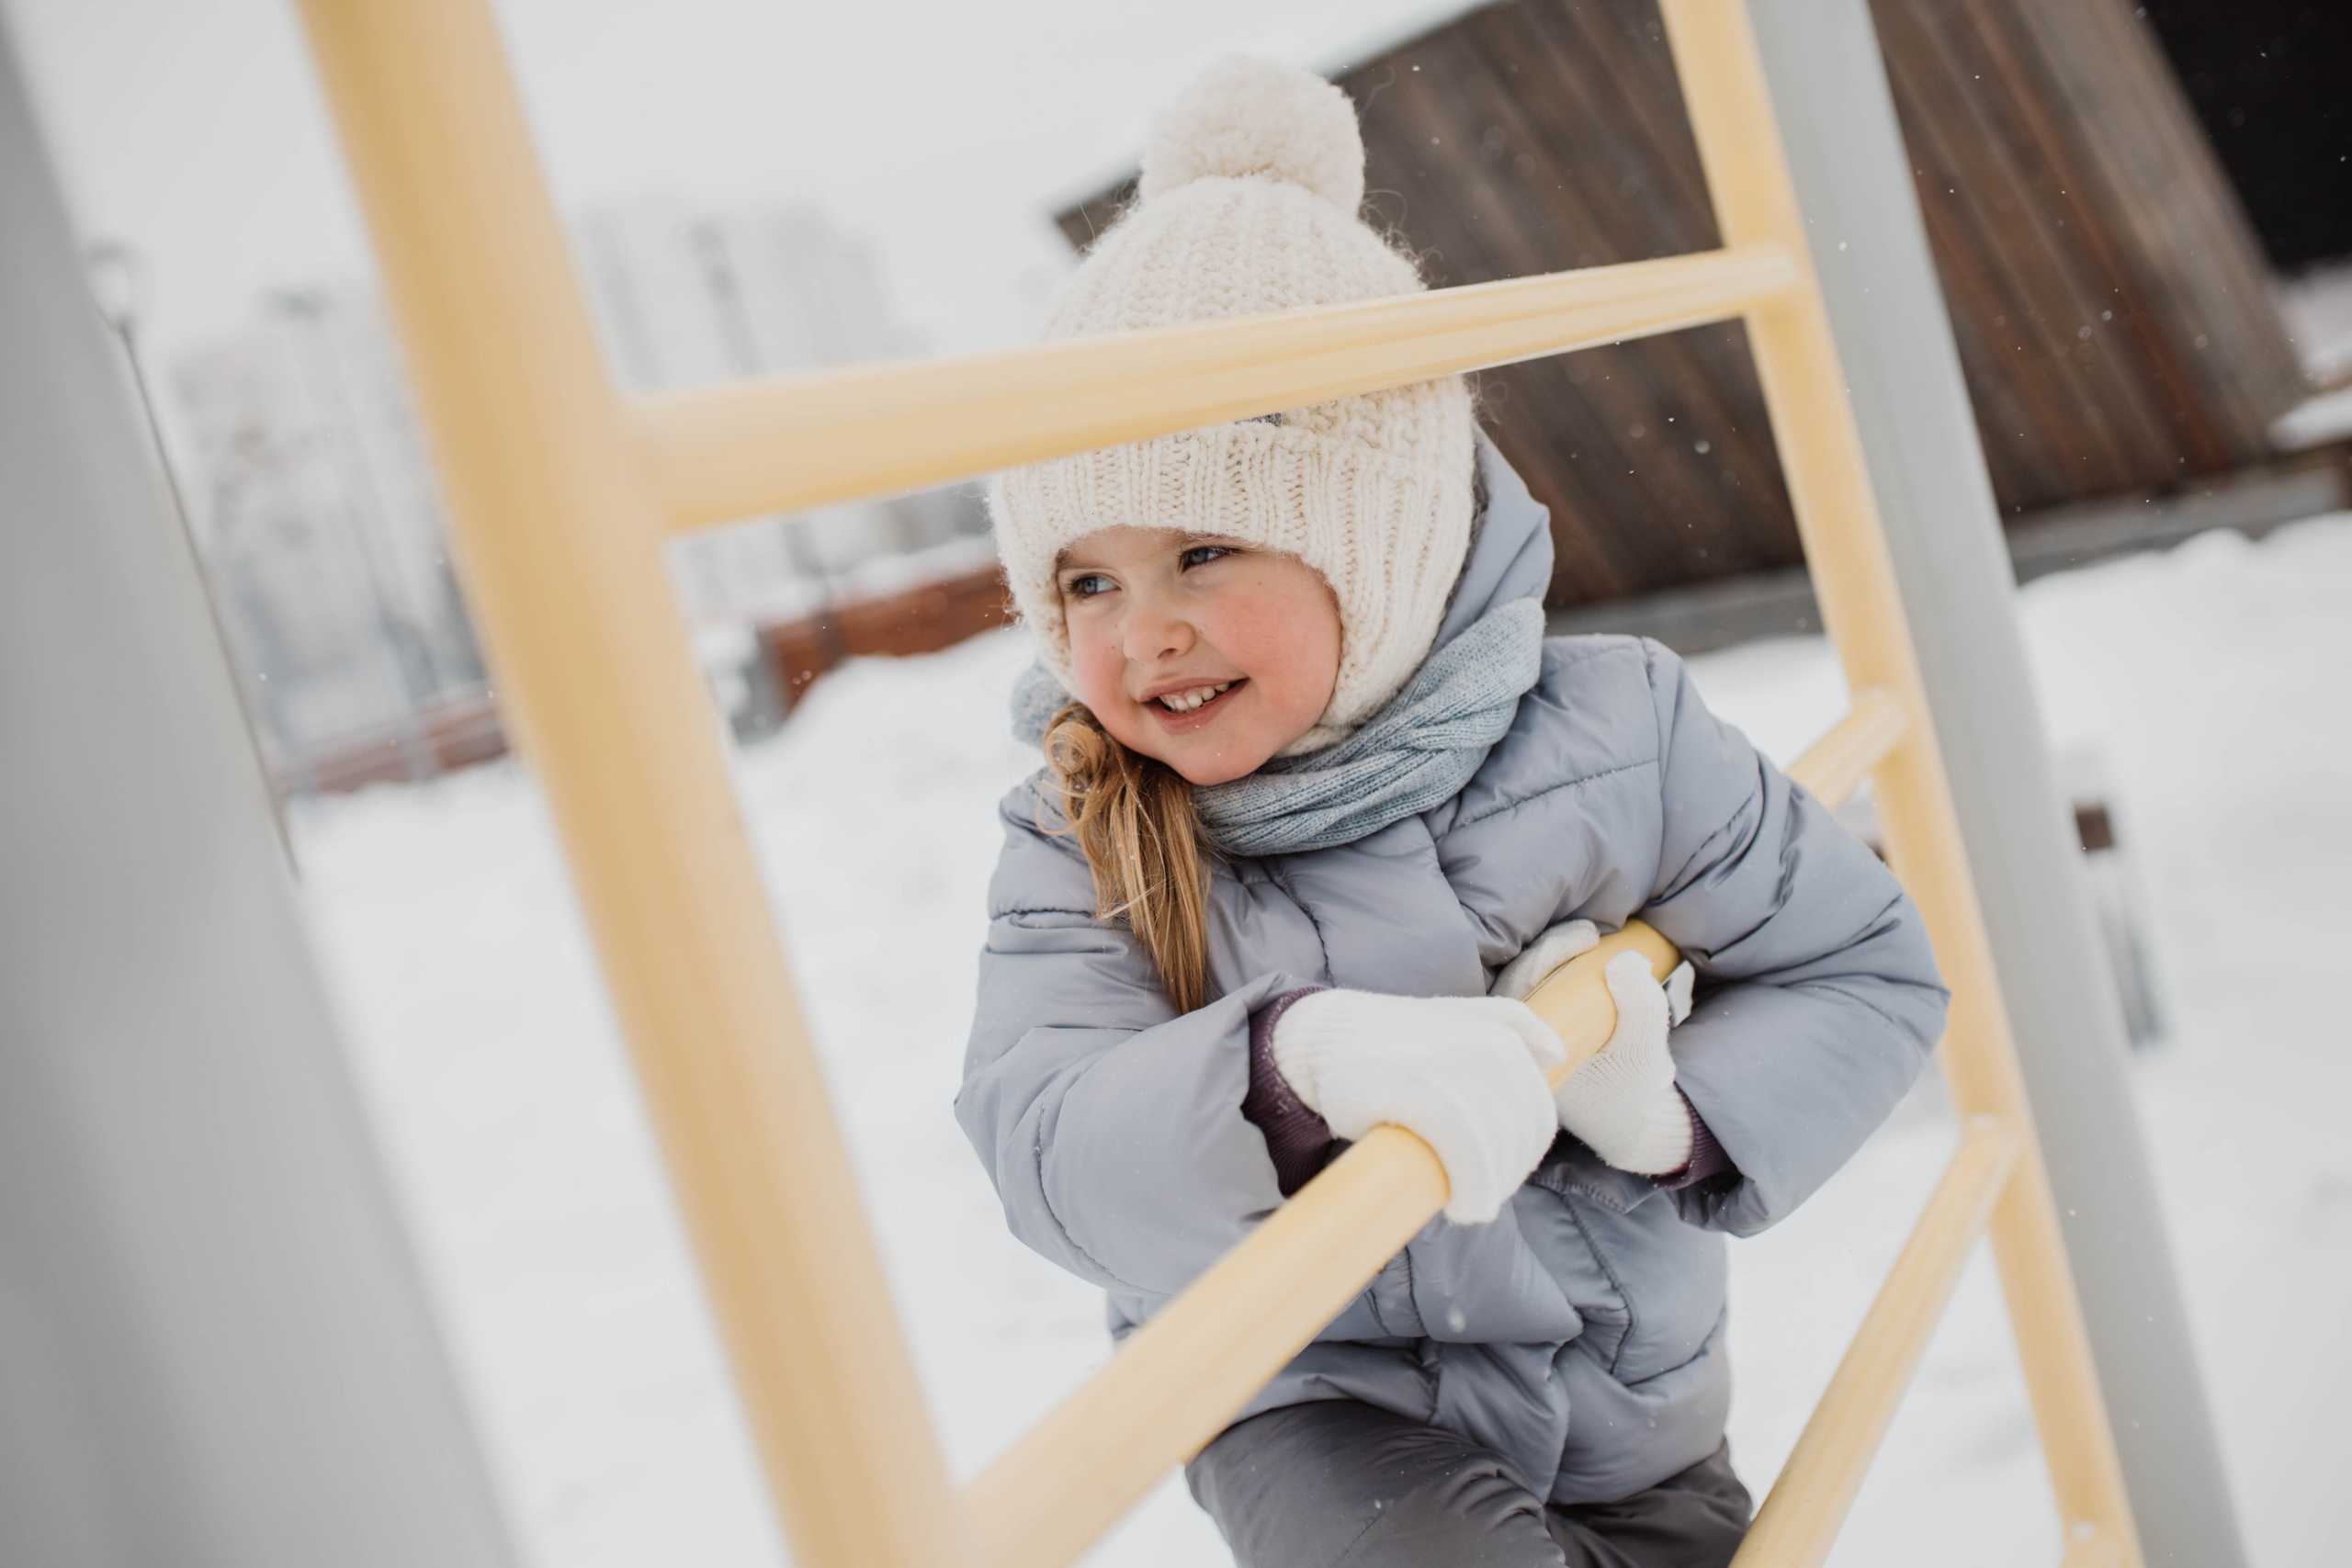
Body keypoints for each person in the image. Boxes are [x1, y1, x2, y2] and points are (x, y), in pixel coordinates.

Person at [957, 56, 1948, 1568]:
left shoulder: (1619, 734)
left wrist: (1674, 1117)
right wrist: (1290, 1072)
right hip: (1307, 1410)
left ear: (1388, 544)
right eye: (1087, 578)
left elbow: (1863, 968)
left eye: (1206, 548)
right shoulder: (1080, 830)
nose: (1139, 630)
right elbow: (1042, 1133)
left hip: (1641, 1418)